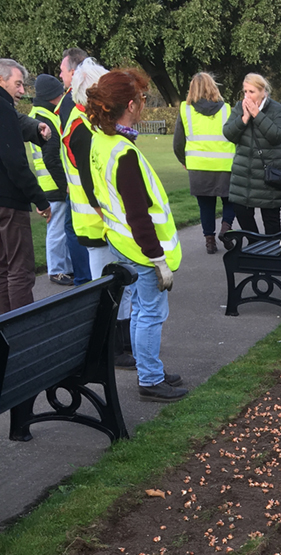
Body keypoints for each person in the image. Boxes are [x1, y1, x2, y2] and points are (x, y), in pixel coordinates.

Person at [85, 68, 187, 401]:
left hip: (122, 243)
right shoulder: (124, 153)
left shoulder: (102, 140)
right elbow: (139, 215)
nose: (143, 104)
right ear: (131, 105)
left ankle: (150, 367)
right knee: (151, 313)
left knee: (143, 310)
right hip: (141, 249)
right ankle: (150, 378)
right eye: (142, 99)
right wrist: (159, 261)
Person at [69, 58, 136, 369]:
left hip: (98, 223)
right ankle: (112, 348)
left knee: (114, 286)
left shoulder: (85, 124)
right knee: (108, 289)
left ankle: (120, 344)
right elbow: (91, 182)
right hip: (97, 225)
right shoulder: (82, 129)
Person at [0, 59, 51, 314]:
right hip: (9, 201)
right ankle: (24, 333)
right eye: (18, 84)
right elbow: (14, 162)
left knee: (2, 271)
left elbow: (16, 120)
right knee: (20, 270)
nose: (22, 90)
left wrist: (34, 127)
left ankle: (7, 331)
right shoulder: (2, 107)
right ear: (1, 80)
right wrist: (39, 199)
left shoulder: (6, 108)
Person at [174, 72, 235, 254]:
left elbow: (178, 142)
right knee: (231, 201)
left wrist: (184, 161)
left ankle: (209, 241)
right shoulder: (227, 109)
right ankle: (226, 228)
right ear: (213, 87)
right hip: (225, 165)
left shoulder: (185, 109)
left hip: (198, 166)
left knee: (205, 206)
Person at [222, 73, 281, 235]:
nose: (247, 96)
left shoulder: (276, 109)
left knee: (271, 223)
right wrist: (244, 118)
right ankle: (256, 248)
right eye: (245, 92)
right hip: (244, 178)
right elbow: (228, 134)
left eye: (251, 92)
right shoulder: (239, 108)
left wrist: (257, 115)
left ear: (263, 92)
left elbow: (277, 135)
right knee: (242, 213)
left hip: (268, 177)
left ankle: (273, 254)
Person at [28, 74, 73, 285]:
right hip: (54, 184)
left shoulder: (40, 114)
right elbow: (51, 157)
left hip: (49, 182)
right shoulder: (45, 118)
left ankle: (63, 267)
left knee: (59, 228)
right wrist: (65, 185)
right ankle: (57, 271)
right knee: (57, 230)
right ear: (53, 96)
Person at [56, 46, 92, 286]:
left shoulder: (72, 100)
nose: (60, 75)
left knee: (75, 230)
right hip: (81, 181)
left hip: (79, 184)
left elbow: (75, 145)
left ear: (73, 71)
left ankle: (83, 280)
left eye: (62, 70)